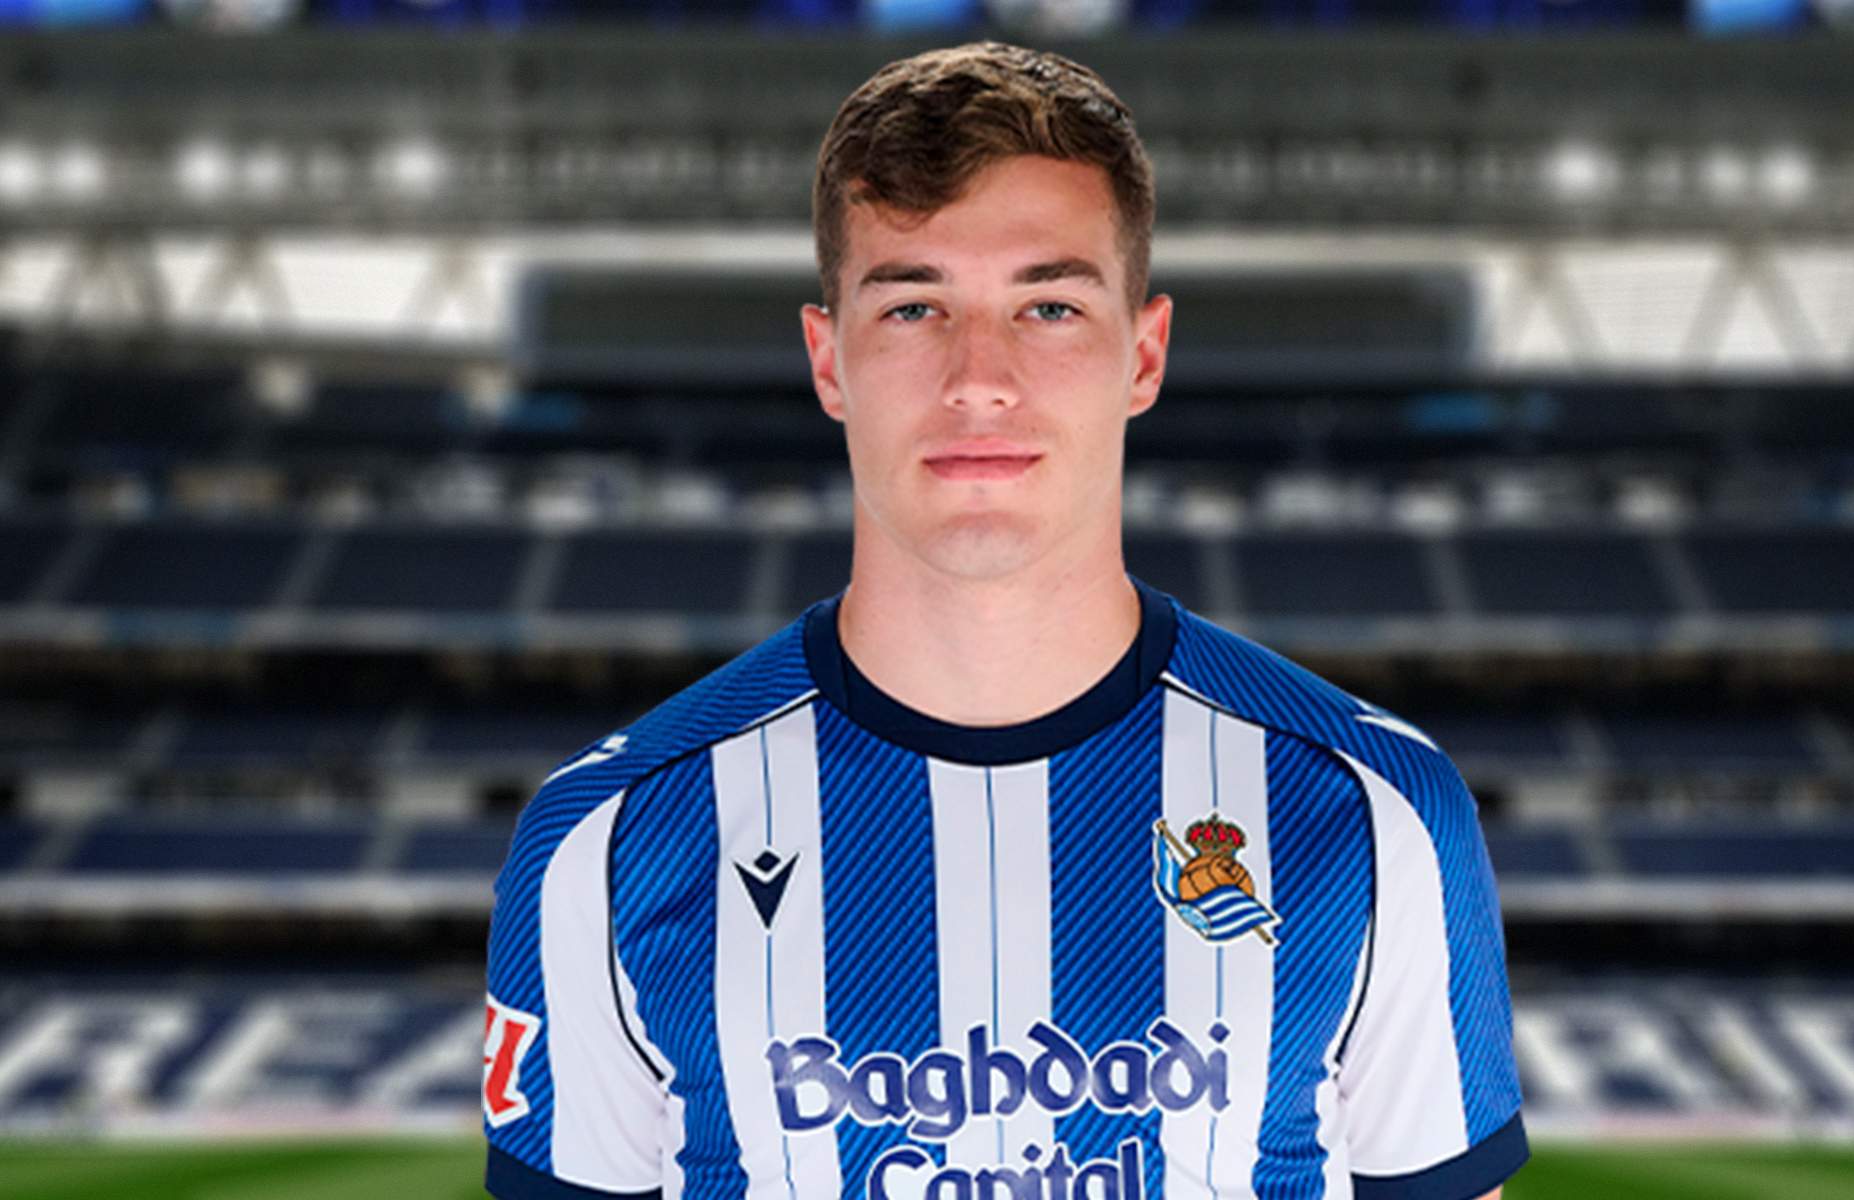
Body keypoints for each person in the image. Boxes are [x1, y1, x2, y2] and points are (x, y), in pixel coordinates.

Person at [483, 41, 1527, 1200]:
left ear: (1143, 352)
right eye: (914, 305)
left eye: (1047, 305)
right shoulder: (609, 837)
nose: (978, 378)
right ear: (828, 361)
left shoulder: (1373, 813)